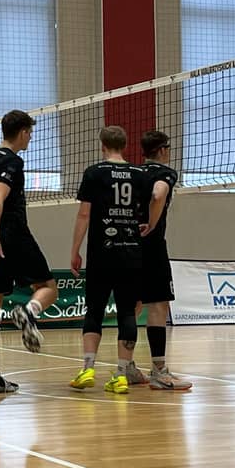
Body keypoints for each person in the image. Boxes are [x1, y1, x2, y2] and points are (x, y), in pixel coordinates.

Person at [0, 110, 58, 394]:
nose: (30, 137)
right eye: (29, 132)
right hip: (10, 233)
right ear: (22, 132)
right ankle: (29, 312)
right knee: (48, 288)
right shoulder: (12, 161)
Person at [68, 126, 148, 395]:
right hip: (131, 252)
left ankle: (88, 369)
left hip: (102, 252)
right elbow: (148, 209)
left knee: (94, 310)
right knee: (127, 312)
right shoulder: (139, 174)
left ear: (102, 145)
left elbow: (84, 215)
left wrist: (75, 250)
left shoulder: (94, 173)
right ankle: (121, 375)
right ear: (125, 145)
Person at [138, 130, 192, 391]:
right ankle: (159, 371)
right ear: (161, 150)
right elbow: (158, 194)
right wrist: (152, 223)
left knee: (132, 304)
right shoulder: (165, 173)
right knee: (159, 305)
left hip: (129, 246)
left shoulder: (135, 173)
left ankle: (125, 366)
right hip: (152, 246)